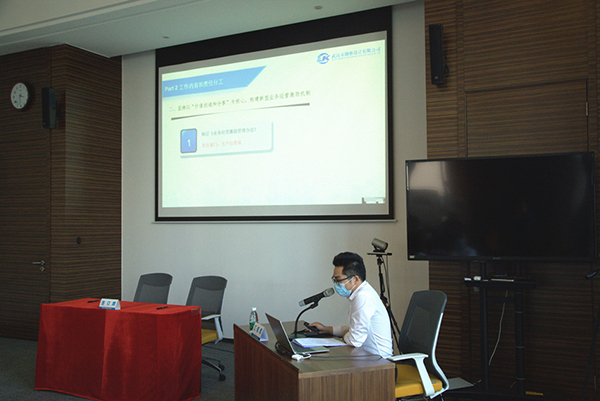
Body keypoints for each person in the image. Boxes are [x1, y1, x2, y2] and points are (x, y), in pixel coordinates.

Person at [310, 251, 393, 358]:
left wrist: (346, 334)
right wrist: (328, 329)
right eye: (334, 280)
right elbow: (353, 330)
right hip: (366, 357)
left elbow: (354, 340)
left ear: (355, 279)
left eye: (338, 280)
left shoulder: (363, 297)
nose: (336, 284)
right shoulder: (360, 293)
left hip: (380, 362)